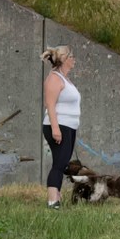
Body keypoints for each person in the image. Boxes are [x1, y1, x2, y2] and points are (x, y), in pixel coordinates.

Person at [41, 45, 81, 208]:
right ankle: (52, 200)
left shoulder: (65, 79)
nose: (74, 60)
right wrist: (56, 128)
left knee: (62, 163)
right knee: (59, 163)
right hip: (59, 126)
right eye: (72, 57)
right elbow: (50, 105)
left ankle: (56, 195)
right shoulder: (54, 78)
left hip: (69, 126)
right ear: (64, 59)